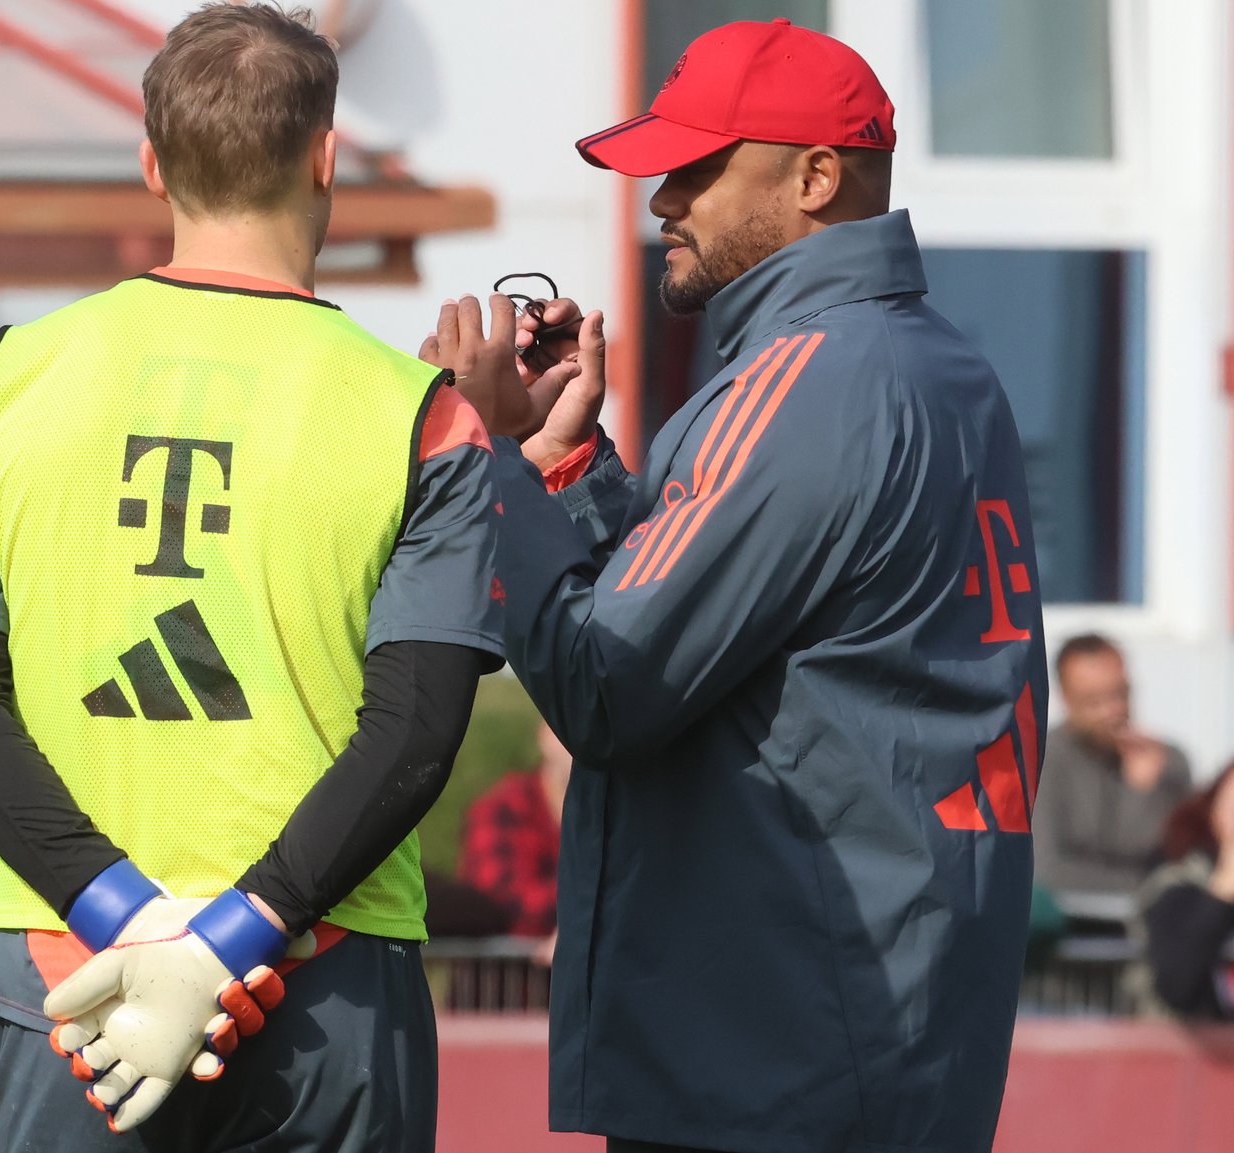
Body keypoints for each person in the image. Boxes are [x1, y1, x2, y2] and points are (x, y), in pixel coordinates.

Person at [428, 19, 1045, 1153]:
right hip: (869, 1024)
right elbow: (722, 621)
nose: (663, 200)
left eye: (697, 168)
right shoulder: (931, 362)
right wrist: (564, 467)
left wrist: (479, 461)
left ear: (814, 176)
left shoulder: (808, 380)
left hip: (786, 1047)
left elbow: (602, 683)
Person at [0, 5, 501, 1149]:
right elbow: (416, 726)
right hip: (324, 973)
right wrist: (228, 933)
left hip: (72, 976)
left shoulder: (4, 383)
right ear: (325, 159)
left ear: (150, 163)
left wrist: (119, 911)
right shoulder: (420, 416)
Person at [1033, 633, 1194, 895]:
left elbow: (1180, 861)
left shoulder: (1170, 762)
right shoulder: (1047, 761)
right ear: (1066, 698)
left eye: (1120, 694)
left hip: (1155, 922)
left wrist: (1143, 794)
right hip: (1076, 924)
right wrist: (1147, 889)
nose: (1113, 710)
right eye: (1094, 701)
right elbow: (1047, 870)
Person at [457, 721, 570, 963]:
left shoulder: (623, 814)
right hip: (500, 990)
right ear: (545, 735)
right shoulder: (503, 808)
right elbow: (501, 899)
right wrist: (588, 917)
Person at [1137, 763, 1234, 1019]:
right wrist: (1224, 886)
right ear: (1214, 811)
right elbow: (1177, 985)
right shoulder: (1178, 882)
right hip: (1190, 1049)